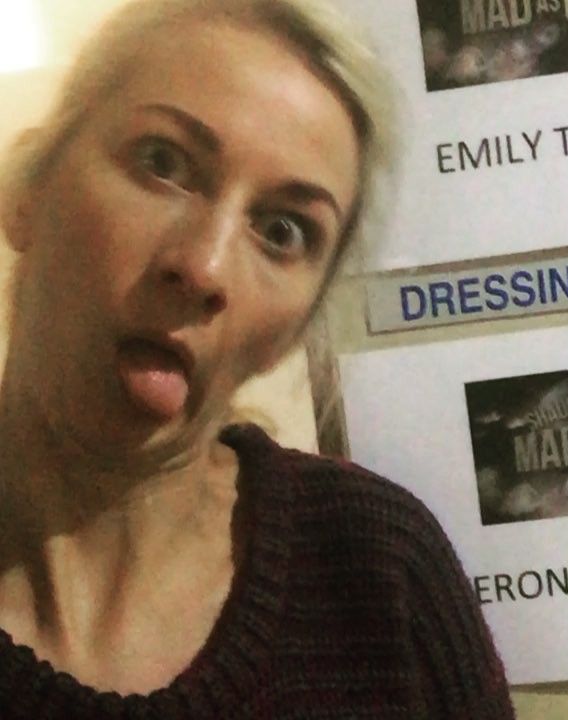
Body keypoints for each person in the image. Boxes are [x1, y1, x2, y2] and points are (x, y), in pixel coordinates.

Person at [0, 0, 515, 717]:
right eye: (163, 163)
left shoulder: (381, 572)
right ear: (26, 188)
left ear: (295, 329)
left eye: (282, 231)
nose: (204, 267)